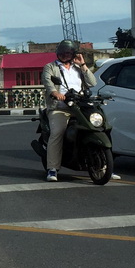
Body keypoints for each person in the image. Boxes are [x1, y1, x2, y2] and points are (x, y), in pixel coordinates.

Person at [41, 39, 96, 181]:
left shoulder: (78, 68)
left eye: (69, 53)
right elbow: (48, 82)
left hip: (80, 105)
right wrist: (55, 93)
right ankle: (52, 169)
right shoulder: (50, 67)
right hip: (60, 106)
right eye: (63, 52)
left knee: (100, 127)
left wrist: (83, 64)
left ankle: (104, 166)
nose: (66, 55)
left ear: (73, 54)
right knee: (57, 132)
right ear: (58, 53)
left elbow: (92, 82)